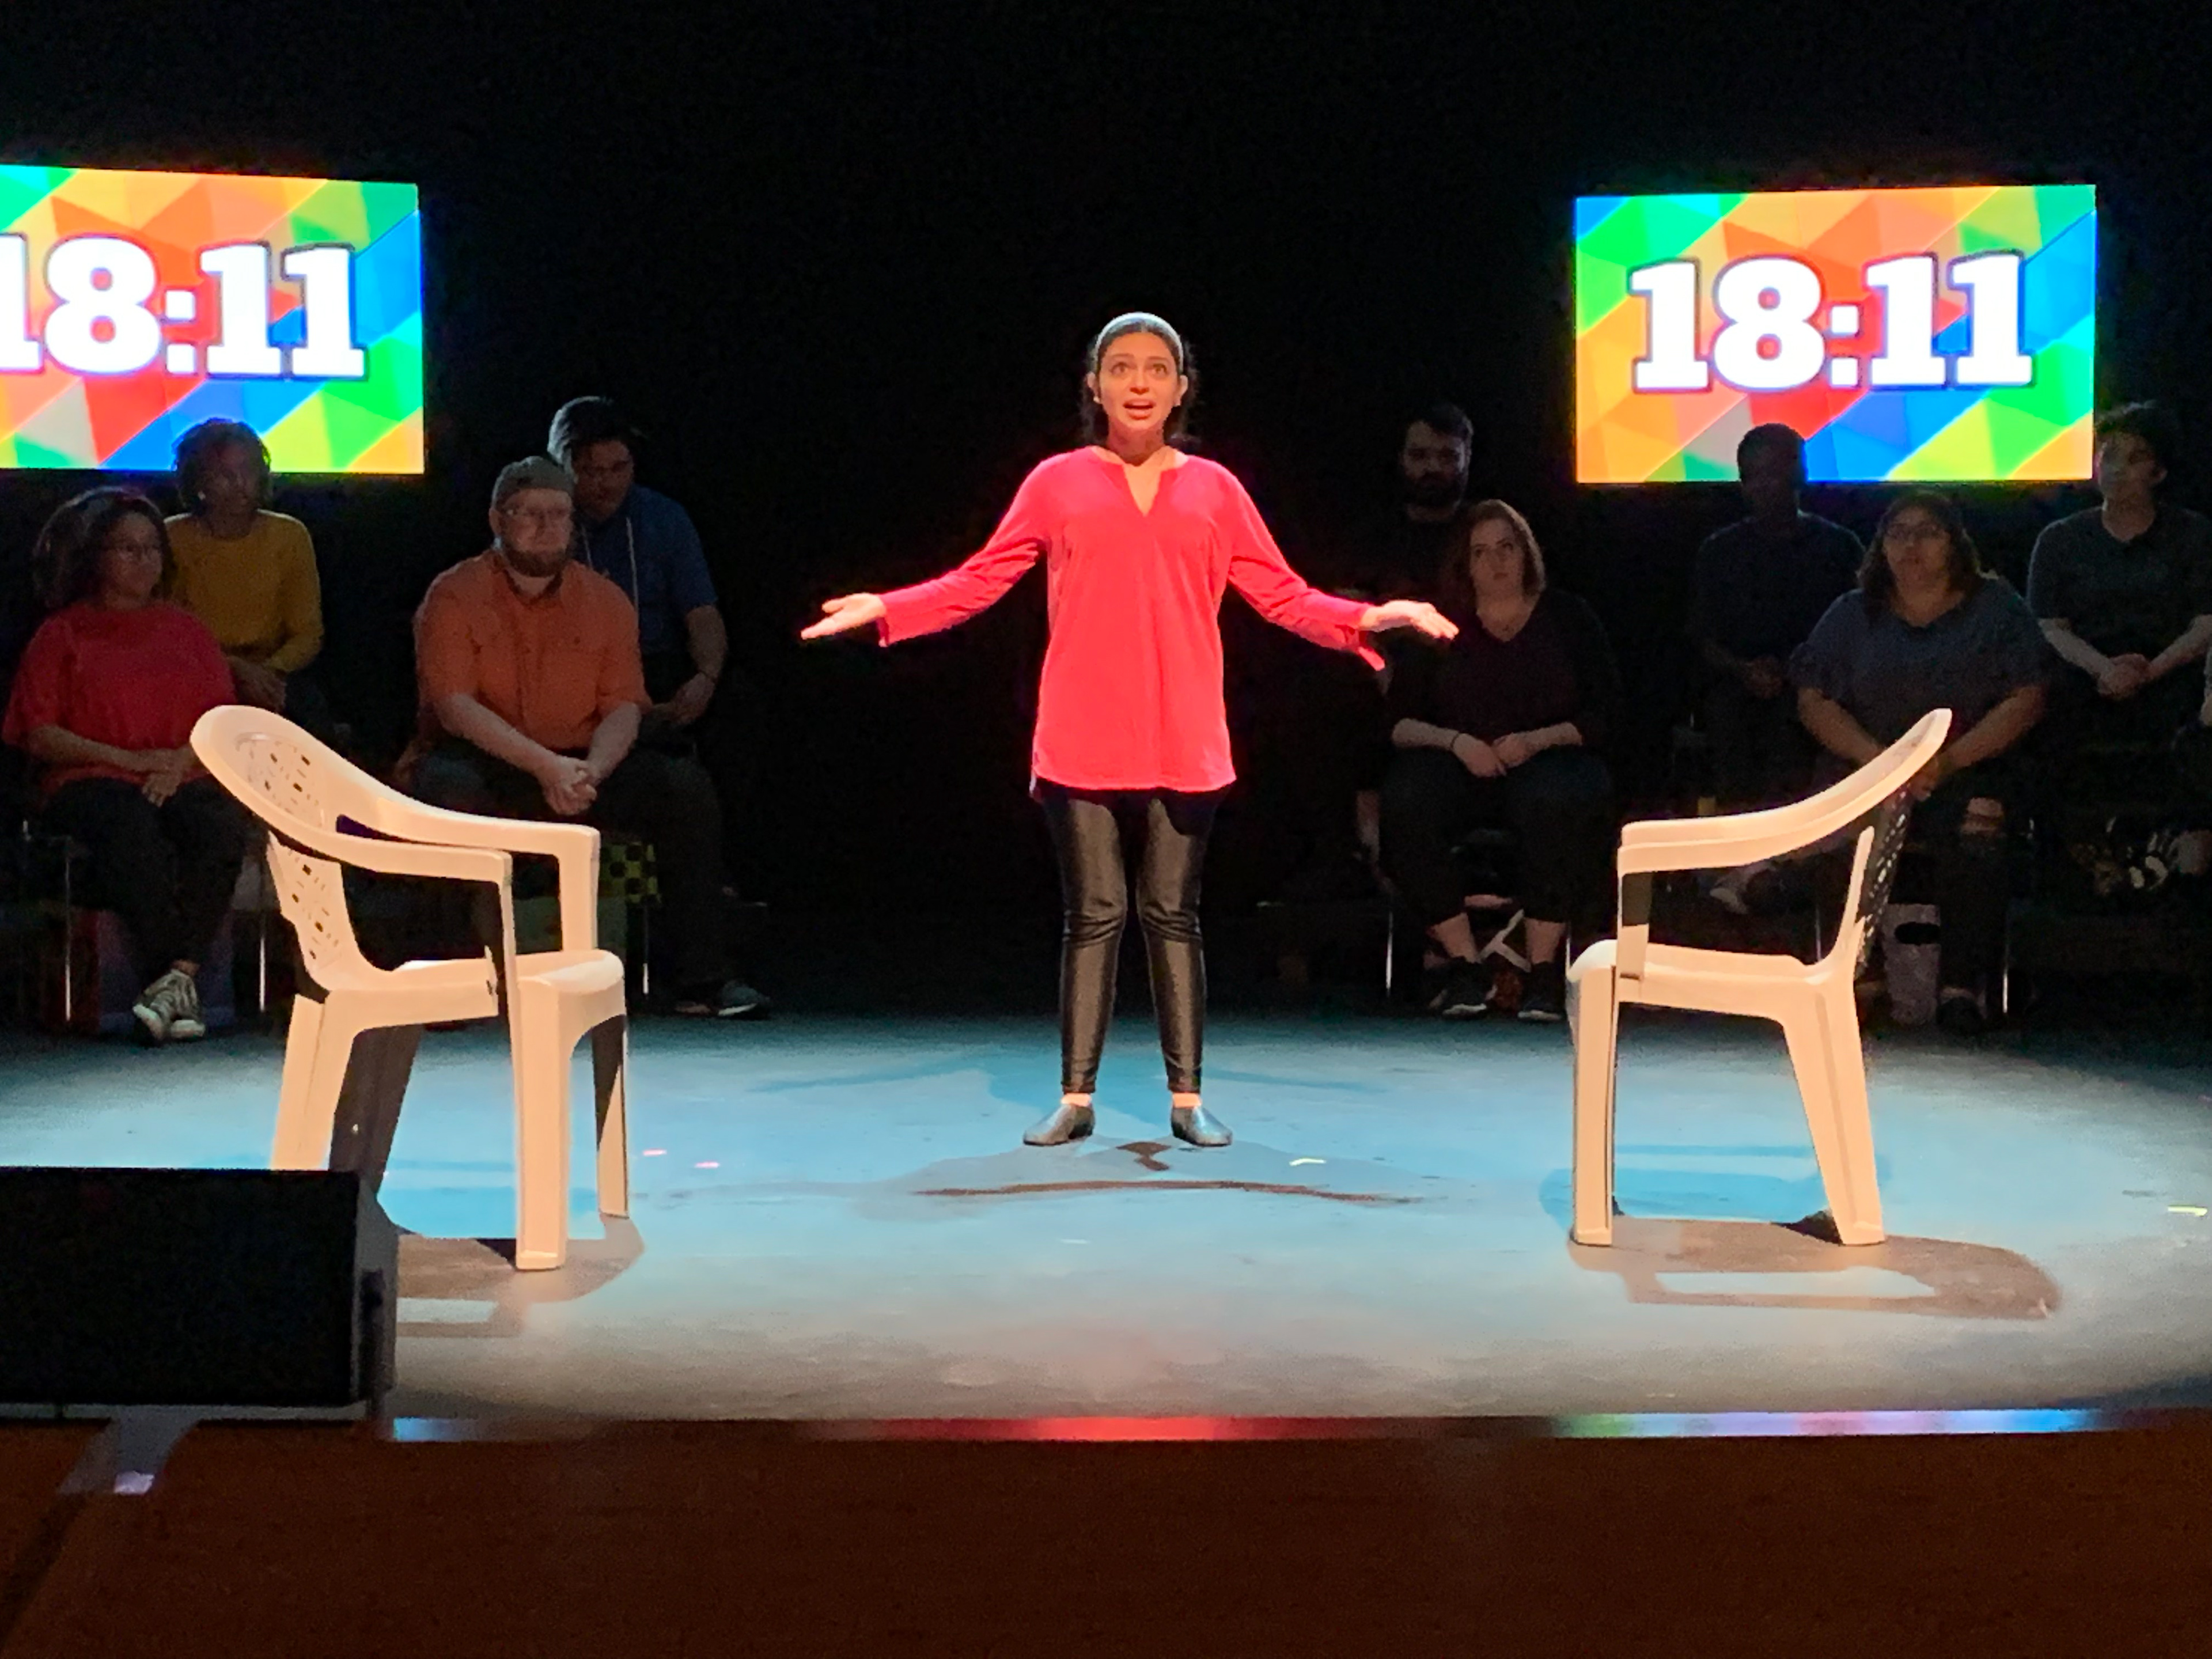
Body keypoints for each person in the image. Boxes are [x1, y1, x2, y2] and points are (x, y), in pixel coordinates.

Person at [801, 313, 1454, 1148]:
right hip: (1082, 727)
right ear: (1095, 386)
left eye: (1155, 368)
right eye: (1121, 367)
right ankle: (1076, 1098)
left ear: (1181, 388)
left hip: (1184, 727)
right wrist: (888, 607)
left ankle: (1188, 1100)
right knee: (1095, 913)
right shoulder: (1057, 482)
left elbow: (1282, 594)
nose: (1138, 382)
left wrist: (1366, 617)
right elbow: (979, 580)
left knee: (1172, 913)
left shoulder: (1216, 489)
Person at [404, 458, 765, 1018]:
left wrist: (591, 770)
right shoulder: (455, 593)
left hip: (582, 763)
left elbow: (623, 705)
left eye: (559, 515)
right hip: (490, 758)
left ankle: (705, 979)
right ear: (498, 519)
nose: (546, 527)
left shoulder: (605, 599)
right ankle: (454, 979)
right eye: (530, 514)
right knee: (446, 790)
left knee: (682, 788)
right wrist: (546, 768)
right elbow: (456, 707)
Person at [1792, 491, 2050, 1035]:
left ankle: (1961, 987)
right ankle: (1857, 979)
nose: (1912, 545)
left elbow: (2027, 697)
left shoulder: (1997, 608)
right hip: (1868, 766)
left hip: (1968, 763)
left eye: (1928, 532)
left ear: (1955, 544)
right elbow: (1814, 699)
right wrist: (1879, 762)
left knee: (1980, 823)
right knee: (1838, 827)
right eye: (1899, 533)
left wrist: (1949, 759)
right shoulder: (1852, 613)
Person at [2, 489, 251, 1043]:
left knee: (218, 825)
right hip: (93, 776)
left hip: (179, 773)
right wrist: (131, 761)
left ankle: (175, 980)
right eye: (128, 549)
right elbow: (41, 733)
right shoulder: (62, 633)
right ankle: (177, 979)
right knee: (130, 826)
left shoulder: (188, 632)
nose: (144, 561)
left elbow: (222, 721)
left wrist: (178, 763)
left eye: (152, 549)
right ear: (98, 557)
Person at [1378, 501, 1620, 1024]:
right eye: (1481, 552)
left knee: (1558, 799)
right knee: (1407, 797)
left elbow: (1604, 714)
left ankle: (1543, 971)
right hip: (1462, 761)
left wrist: (1536, 742)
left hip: (1550, 757)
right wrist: (1457, 743)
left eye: (1507, 548)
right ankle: (1465, 964)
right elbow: (1397, 722)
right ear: (1465, 564)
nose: (1496, 562)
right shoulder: (1440, 626)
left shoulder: (1568, 617)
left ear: (1526, 553)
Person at [2027, 402, 2212, 785]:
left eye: (2134, 459)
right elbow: (2050, 626)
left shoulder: (2193, 534)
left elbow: (2205, 623)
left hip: (2172, 673)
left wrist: (2150, 672)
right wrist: (2105, 670)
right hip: (2086, 674)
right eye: (2108, 456)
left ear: (2159, 472)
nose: (2116, 470)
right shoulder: (2060, 539)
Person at [1688, 424, 1863, 819]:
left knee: (1801, 722)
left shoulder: (1839, 547)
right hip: (1738, 686)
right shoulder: (1719, 551)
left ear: (1799, 474)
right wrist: (1744, 670)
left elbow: (1860, 631)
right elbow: (1702, 636)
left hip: (1820, 687)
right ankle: (1740, 844)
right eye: (1753, 476)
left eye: (1774, 473)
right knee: (1729, 717)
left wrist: (1802, 676)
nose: (1764, 486)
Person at [163, 419, 331, 730]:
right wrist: (232, 669)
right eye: (225, 474)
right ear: (198, 482)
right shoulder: (172, 537)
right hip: (194, 673)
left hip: (273, 675)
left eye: (249, 471)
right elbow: (165, 632)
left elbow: (308, 633)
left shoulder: (289, 535)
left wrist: (266, 673)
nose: (240, 484)